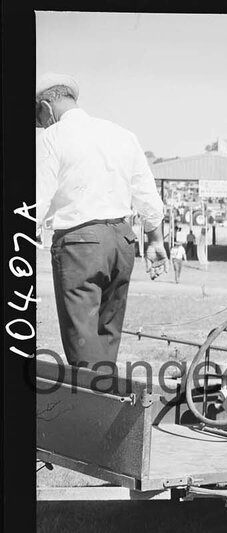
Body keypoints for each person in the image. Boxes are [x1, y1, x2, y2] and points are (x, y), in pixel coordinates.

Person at [35, 73, 165, 368]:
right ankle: (108, 399)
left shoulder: (52, 138)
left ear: (46, 106)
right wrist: (155, 240)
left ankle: (95, 406)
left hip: (80, 244)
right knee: (107, 337)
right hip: (122, 239)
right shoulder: (121, 133)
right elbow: (146, 192)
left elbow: (37, 200)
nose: (41, 126)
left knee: (83, 342)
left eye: (39, 119)